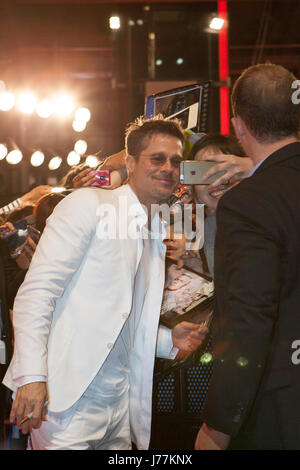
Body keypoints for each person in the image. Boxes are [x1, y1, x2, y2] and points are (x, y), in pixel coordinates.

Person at [3, 116, 206, 450]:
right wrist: (32, 377)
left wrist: (169, 339)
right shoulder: (88, 204)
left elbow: (121, 319)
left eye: (175, 161)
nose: (168, 168)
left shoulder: (154, 230)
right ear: (130, 162)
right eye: (157, 158)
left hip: (120, 404)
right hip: (64, 399)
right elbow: (38, 292)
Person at [195, 63, 300, 450]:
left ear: (239, 127)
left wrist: (218, 425)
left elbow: (249, 320)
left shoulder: (249, 203)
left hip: (280, 407)